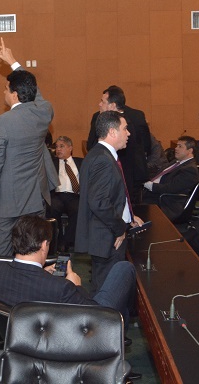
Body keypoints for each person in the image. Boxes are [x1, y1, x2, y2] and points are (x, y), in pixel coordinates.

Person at [0, 38, 57, 258]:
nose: (4, 92)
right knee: (32, 256)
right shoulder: (44, 113)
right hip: (34, 201)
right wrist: (13, 61)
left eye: (6, 89)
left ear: (14, 94)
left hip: (6, 205)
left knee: (2, 259)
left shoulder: (1, 122)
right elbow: (34, 92)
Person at [0, 215, 137, 329]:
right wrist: (77, 286)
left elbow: (24, 284)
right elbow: (94, 315)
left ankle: (123, 318)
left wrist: (41, 272)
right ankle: (122, 324)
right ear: (44, 245)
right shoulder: (61, 288)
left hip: (19, 336)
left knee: (122, 306)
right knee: (124, 268)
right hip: (74, 338)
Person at [76, 111, 144, 289]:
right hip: (108, 237)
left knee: (106, 288)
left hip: (104, 234)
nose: (128, 133)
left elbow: (113, 195)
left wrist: (129, 217)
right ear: (112, 132)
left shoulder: (99, 154)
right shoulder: (102, 160)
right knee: (107, 292)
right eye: (125, 129)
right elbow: (99, 202)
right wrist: (120, 228)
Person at [87, 85, 151, 202]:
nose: (99, 104)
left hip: (132, 175)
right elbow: (91, 145)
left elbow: (146, 145)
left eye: (102, 101)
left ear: (112, 105)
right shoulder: (97, 117)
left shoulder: (137, 116)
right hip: (108, 172)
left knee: (131, 207)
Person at [142, 136, 199, 219]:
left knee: (133, 204)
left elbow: (170, 188)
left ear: (190, 150)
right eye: (177, 146)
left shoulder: (190, 169)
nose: (176, 148)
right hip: (155, 194)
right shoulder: (176, 162)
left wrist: (148, 185)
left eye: (180, 146)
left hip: (166, 202)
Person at [49, 136, 82, 253]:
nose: (58, 149)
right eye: (57, 147)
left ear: (70, 148)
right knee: (52, 207)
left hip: (74, 195)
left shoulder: (80, 162)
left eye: (61, 146)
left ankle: (66, 242)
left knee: (78, 209)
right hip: (58, 195)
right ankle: (58, 241)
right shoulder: (52, 163)